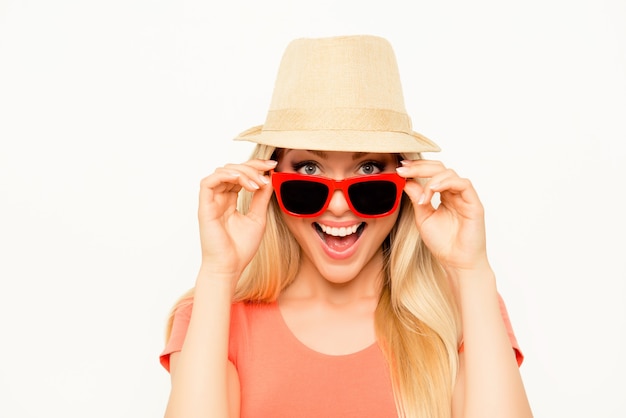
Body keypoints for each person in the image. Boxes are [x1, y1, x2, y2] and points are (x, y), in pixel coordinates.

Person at [160, 35, 533, 418]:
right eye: (308, 169)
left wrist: (471, 271)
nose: (338, 205)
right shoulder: (214, 313)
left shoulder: (460, 313)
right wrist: (218, 273)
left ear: (408, 181)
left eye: (369, 169)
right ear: (267, 181)